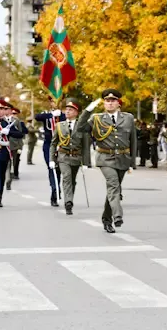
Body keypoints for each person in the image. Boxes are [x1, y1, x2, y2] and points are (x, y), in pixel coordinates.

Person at [76, 89, 137, 233]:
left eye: (113, 101)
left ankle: (106, 218)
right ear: (104, 103)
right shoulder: (96, 118)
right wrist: (87, 110)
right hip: (105, 158)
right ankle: (117, 216)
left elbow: (133, 140)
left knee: (113, 190)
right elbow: (80, 128)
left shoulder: (128, 118)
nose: (110, 103)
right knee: (114, 186)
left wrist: (132, 162)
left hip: (122, 158)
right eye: (107, 101)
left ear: (118, 103)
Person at [49, 98, 91, 215]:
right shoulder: (59, 125)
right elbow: (53, 143)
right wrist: (52, 159)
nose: (67, 112)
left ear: (77, 113)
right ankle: (68, 202)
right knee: (66, 177)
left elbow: (86, 145)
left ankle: (69, 197)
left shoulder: (82, 126)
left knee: (72, 180)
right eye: (66, 109)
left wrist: (86, 162)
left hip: (76, 157)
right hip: (63, 157)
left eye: (71, 110)